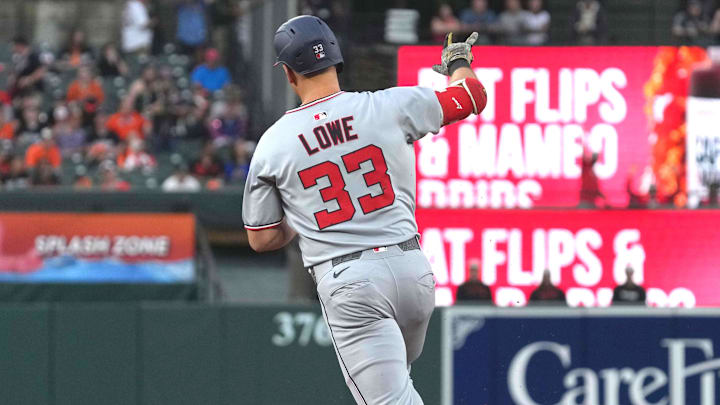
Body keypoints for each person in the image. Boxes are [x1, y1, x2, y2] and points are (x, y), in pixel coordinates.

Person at [242, 15, 487, 404]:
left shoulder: (273, 145)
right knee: (396, 387)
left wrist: (304, 214)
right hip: (413, 272)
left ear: (289, 74)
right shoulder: (389, 104)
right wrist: (457, 61)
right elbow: (472, 96)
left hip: (351, 282)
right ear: (336, 60)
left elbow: (262, 237)